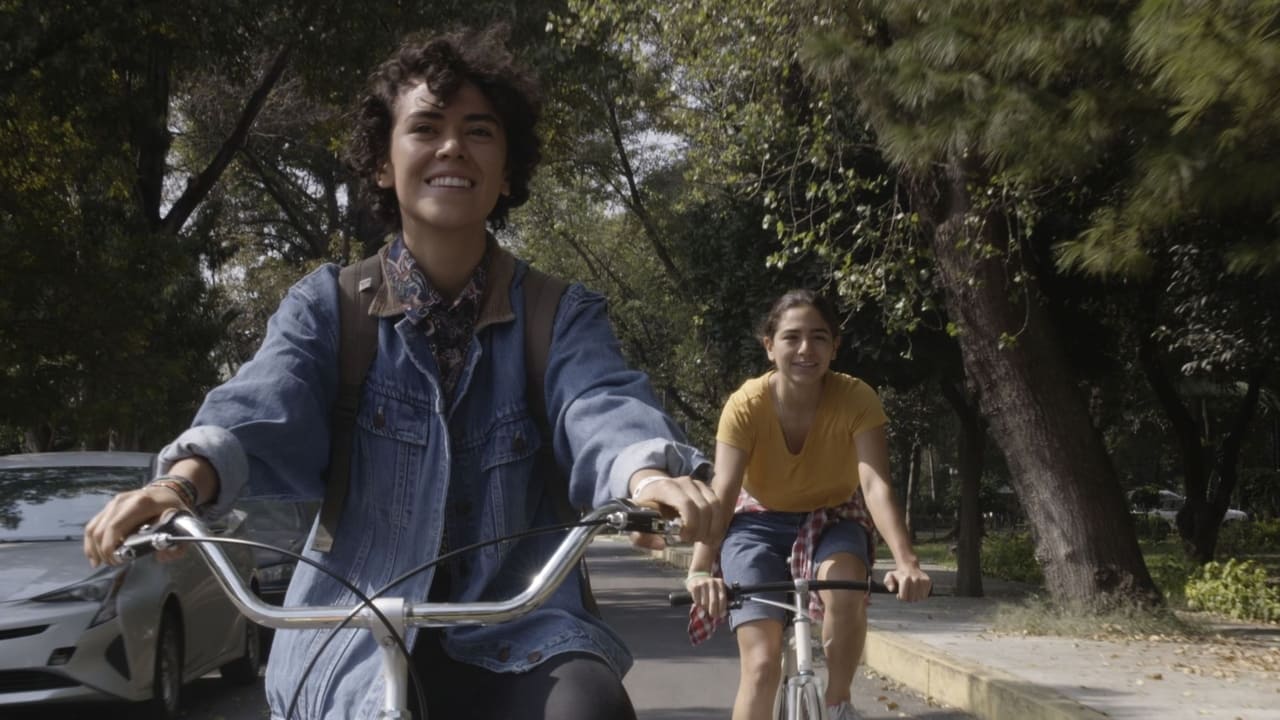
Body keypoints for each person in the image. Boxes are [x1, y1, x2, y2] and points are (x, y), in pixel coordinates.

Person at [83, 26, 721, 720]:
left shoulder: (558, 314)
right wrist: (180, 483)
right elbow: (260, 405)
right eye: (425, 128)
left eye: (479, 131)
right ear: (384, 165)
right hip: (350, 633)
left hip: (524, 631)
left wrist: (645, 476)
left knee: (589, 710)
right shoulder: (328, 309)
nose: (452, 147)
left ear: (507, 171)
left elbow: (599, 405)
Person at [684, 289, 931, 720]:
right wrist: (700, 570)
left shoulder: (856, 398)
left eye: (819, 337)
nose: (805, 349)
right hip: (756, 523)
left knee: (845, 583)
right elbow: (723, 494)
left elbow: (874, 485)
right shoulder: (745, 405)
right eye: (791, 337)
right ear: (769, 346)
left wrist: (907, 563)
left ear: (835, 347)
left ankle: (838, 702)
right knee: (761, 666)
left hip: (835, 517)